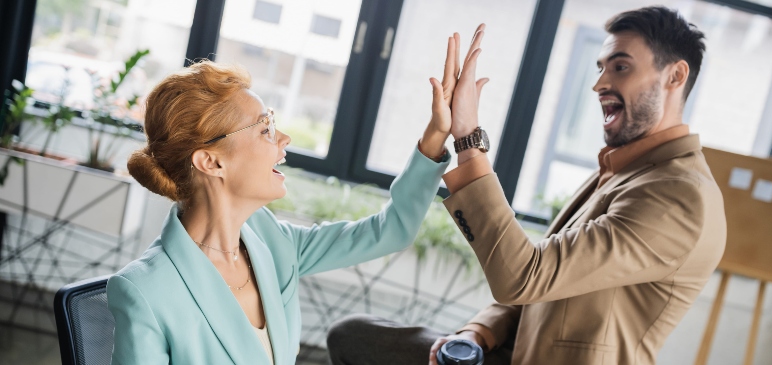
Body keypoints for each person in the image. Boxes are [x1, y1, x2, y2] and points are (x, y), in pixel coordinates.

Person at [327, 6, 726, 365]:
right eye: (600, 68)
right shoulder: (624, 171)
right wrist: (478, 331)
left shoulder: (678, 196)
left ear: (675, 75)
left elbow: (527, 275)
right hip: (513, 352)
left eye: (620, 67)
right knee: (356, 338)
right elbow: (549, 282)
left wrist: (468, 137)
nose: (599, 83)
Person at [105, 49, 468, 364]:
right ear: (211, 162)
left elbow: (388, 232)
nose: (284, 138)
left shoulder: (269, 239)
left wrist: (436, 132)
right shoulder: (146, 291)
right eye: (264, 129)